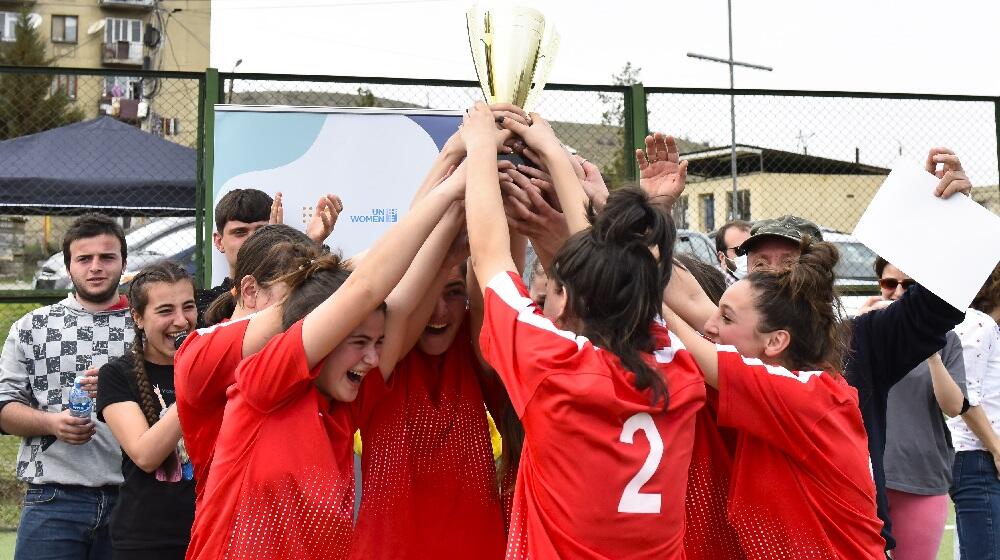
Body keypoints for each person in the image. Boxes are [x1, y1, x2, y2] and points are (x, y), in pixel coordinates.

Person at [664, 146, 972, 553]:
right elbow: (678, 294)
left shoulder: (859, 343)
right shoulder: (725, 334)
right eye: (759, 263)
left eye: (788, 262)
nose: (772, 273)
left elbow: (938, 305)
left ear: (817, 276)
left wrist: (956, 218)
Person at [185, 155, 466, 560]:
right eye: (355, 340)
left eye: (375, 343)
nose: (371, 356)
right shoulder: (251, 377)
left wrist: (448, 240)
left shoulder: (338, 396)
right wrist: (451, 192)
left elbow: (395, 306)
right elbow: (363, 289)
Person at [470, 103, 705, 558]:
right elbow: (616, 273)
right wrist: (555, 157)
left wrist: (482, 146)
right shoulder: (677, 364)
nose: (547, 309)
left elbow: (489, 257)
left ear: (572, 301)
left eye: (553, 290)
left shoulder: (553, 367)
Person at [666, 238, 886, 557]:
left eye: (726, 317)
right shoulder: (781, 377)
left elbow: (687, 336)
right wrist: (613, 213)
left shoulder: (806, 397)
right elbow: (692, 300)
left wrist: (644, 293)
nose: (710, 325)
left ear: (776, 341)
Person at [0, 214, 132, 560]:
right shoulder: (32, 327)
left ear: (124, 262)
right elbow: (3, 408)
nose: (96, 267)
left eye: (107, 257)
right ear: (68, 265)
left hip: (133, 497)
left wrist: (122, 387)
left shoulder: (147, 324)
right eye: (84, 259)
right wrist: (52, 423)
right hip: (53, 498)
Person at [175, 224, 320, 503]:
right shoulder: (203, 348)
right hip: (235, 538)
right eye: (302, 294)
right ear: (251, 290)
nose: (315, 310)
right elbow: (361, 287)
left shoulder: (305, 346)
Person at [865, 257, 968, 560]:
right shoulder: (860, 331)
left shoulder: (946, 339)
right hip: (864, 477)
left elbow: (953, 406)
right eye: (889, 284)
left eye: (910, 285)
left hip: (920, 477)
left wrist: (931, 353)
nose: (898, 292)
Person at [96, 261, 198, 560]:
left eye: (188, 307)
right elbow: (145, 455)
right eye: (165, 311)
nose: (181, 320)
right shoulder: (117, 374)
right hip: (146, 540)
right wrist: (198, 383)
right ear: (138, 317)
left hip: (214, 531)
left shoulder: (215, 363)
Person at [196, 188, 342, 322]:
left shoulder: (301, 288)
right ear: (219, 241)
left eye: (262, 230)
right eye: (240, 232)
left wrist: (311, 242)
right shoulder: (204, 302)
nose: (252, 239)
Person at [948, 263, 1000, 560]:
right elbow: (965, 395)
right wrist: (996, 448)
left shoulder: (991, 327)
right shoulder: (979, 325)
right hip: (977, 458)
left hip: (986, 456)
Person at [714, 220, 751, 285]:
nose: (749, 256)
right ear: (722, 258)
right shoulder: (713, 288)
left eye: (753, 249)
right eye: (740, 251)